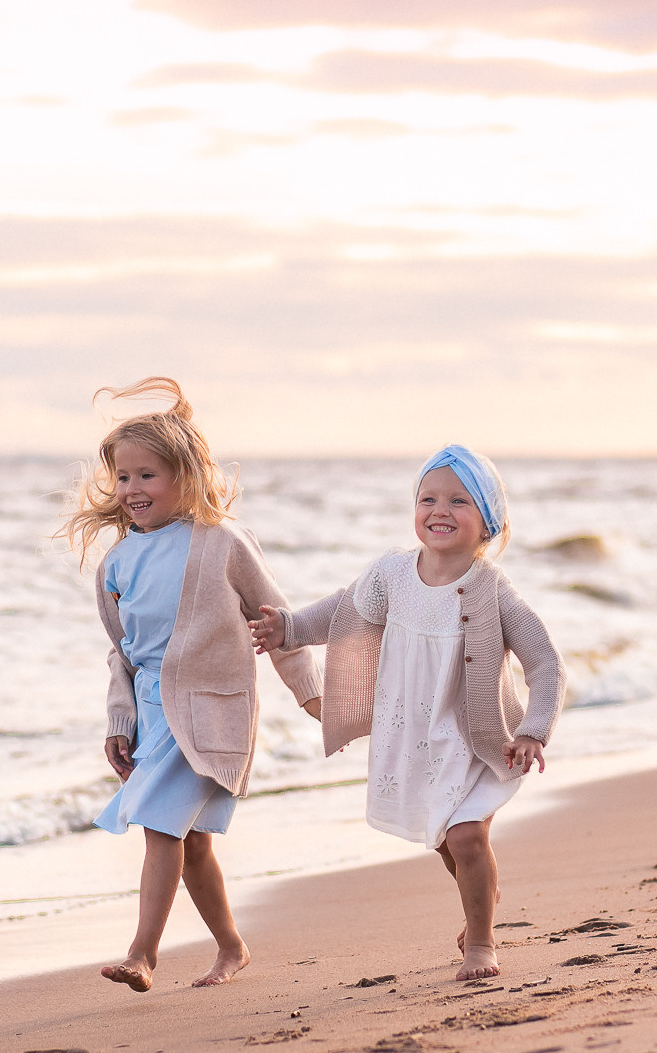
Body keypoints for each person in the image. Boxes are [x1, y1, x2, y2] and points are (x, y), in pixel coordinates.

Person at [249, 445, 564, 981]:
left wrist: (534, 730)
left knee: (465, 835)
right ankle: (478, 899)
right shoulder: (393, 574)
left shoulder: (492, 590)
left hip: (479, 742)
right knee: (445, 836)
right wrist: (291, 628)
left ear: (488, 522)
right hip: (414, 737)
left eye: (459, 501)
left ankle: (480, 944)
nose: (440, 510)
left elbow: (547, 663)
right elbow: (343, 611)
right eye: (428, 498)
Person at [60, 377, 321, 991]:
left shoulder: (223, 542)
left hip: (209, 711)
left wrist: (312, 696)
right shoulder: (117, 563)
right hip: (154, 716)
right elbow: (121, 654)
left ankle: (142, 953)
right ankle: (232, 947)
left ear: (186, 477)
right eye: (122, 478)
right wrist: (120, 723)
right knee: (193, 844)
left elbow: (278, 623)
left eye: (146, 476)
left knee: (159, 827)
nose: (131, 490)